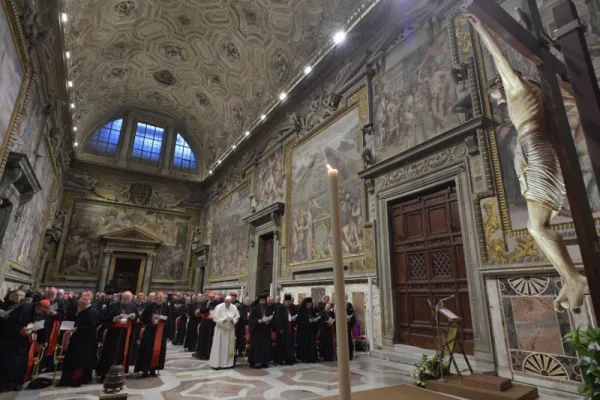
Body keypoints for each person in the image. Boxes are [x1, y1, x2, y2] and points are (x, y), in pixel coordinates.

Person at [0, 297, 50, 392]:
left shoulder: (42, 313)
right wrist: (19, 330)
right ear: (39, 305)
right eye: (44, 308)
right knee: (10, 363)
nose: (44, 311)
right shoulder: (24, 309)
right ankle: (6, 384)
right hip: (12, 341)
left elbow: (42, 327)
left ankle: (17, 384)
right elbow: (9, 323)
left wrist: (44, 340)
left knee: (21, 363)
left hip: (25, 342)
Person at [96, 291, 138, 382]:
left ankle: (120, 373)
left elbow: (137, 320)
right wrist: (114, 318)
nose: (126, 301)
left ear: (131, 299)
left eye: (128, 299)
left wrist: (133, 318)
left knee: (122, 354)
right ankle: (104, 374)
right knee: (109, 354)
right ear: (121, 298)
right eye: (124, 299)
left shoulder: (133, 306)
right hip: (113, 335)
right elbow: (104, 318)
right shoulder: (114, 306)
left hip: (126, 335)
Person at [58, 296, 99, 387]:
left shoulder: (92, 312)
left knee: (79, 361)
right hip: (78, 339)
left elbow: (92, 327)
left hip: (86, 341)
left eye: (80, 305)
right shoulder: (83, 311)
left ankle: (77, 379)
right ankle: (68, 379)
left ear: (84, 304)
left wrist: (78, 328)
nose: (78, 306)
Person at [135, 292, 169, 378]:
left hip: (161, 332)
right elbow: (142, 318)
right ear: (155, 298)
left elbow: (170, 320)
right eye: (158, 298)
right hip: (150, 332)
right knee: (147, 351)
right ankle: (145, 370)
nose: (160, 300)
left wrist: (163, 320)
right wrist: (151, 320)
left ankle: (154, 369)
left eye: (162, 299)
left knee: (158, 351)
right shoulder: (150, 307)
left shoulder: (166, 307)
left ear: (164, 299)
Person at [208, 296, 239, 369]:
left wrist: (233, 321)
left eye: (230, 302)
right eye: (227, 301)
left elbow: (237, 317)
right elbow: (215, 318)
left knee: (228, 347)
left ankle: (227, 364)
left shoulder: (234, 307)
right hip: (221, 330)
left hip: (230, 330)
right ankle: (216, 364)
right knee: (219, 346)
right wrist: (223, 321)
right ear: (224, 301)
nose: (228, 303)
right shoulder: (218, 307)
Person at [248, 295, 273, 368]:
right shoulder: (254, 309)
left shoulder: (268, 309)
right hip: (257, 331)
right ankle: (256, 362)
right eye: (261, 301)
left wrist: (269, 322)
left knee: (265, 346)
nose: (263, 302)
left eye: (264, 301)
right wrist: (257, 321)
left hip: (265, 330)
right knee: (257, 347)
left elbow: (271, 317)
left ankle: (264, 361)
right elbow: (251, 319)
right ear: (258, 301)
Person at [273, 294, 297, 365]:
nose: (289, 303)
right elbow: (277, 319)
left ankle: (289, 359)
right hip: (282, 330)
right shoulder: (279, 308)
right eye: (287, 301)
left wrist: (294, 320)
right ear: (284, 301)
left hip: (290, 330)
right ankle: (281, 359)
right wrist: (279, 329)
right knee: (282, 346)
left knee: (290, 345)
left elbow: (294, 317)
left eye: (290, 301)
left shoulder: (292, 309)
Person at [332, 294, 356, 360]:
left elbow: (352, 314)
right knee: (339, 341)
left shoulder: (349, 305)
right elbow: (334, 314)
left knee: (348, 340)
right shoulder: (336, 305)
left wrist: (349, 319)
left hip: (347, 325)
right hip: (338, 325)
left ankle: (349, 355)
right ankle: (339, 355)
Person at [296, 297, 319, 363]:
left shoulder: (312, 311)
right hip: (304, 331)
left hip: (311, 331)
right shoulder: (301, 310)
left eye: (310, 304)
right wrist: (307, 321)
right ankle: (305, 358)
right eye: (308, 304)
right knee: (305, 345)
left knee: (312, 344)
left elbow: (314, 317)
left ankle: (312, 358)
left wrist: (315, 320)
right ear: (305, 304)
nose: (310, 305)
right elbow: (299, 321)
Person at [194, 293, 216, 360]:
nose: (211, 298)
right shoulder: (205, 302)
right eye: (210, 297)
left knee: (210, 339)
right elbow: (201, 310)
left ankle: (209, 354)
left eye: (212, 297)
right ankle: (201, 353)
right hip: (204, 322)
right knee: (202, 338)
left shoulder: (217, 303)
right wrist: (208, 308)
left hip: (212, 323)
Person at [235, 296, 251, 363]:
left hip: (247, 326)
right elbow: (241, 316)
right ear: (243, 301)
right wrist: (247, 318)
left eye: (249, 300)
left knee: (246, 339)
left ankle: (245, 351)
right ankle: (241, 351)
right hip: (241, 326)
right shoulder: (241, 307)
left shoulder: (249, 308)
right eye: (247, 300)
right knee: (241, 339)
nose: (248, 301)